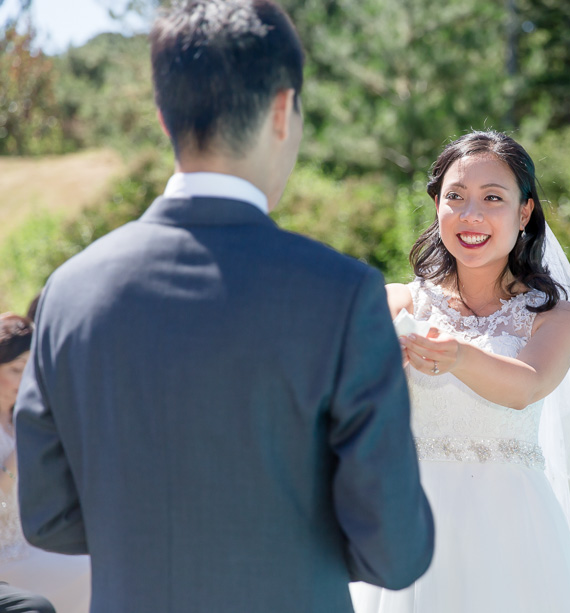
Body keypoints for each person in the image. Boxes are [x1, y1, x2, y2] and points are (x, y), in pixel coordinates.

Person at [13, 2, 434, 612]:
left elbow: (47, 516)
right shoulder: (341, 294)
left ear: (163, 116)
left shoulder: (68, 292)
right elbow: (396, 550)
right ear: (283, 108)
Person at [350, 130, 570, 613]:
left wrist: (459, 357)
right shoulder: (394, 301)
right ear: (437, 206)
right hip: (409, 517)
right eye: (455, 196)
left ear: (524, 213)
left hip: (512, 526)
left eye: (492, 198)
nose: (471, 215)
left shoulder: (557, 318)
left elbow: (527, 384)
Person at [1, 313, 88, 613]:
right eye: (15, 369)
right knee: (88, 568)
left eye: (30, 370)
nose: (24, 381)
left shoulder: (21, 419)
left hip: (38, 537)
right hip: (8, 554)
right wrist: (19, 455)